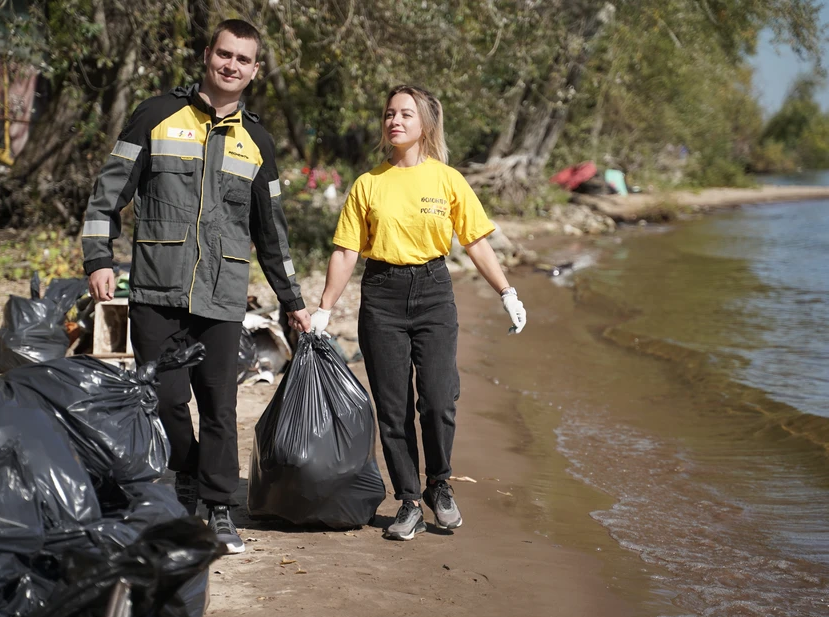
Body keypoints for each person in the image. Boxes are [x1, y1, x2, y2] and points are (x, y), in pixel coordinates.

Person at [81, 19, 311, 554]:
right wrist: (99, 257)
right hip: (157, 289)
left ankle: (218, 507)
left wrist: (292, 299)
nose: (231, 66)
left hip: (222, 293)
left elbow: (271, 231)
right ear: (208, 55)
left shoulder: (258, 143)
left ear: (254, 71)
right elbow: (108, 192)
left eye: (243, 60)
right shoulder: (156, 115)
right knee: (164, 398)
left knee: (219, 405)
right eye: (224, 54)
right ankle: (185, 477)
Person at [309, 85, 527, 541]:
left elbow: (476, 242)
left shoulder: (447, 180)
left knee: (439, 397)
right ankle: (408, 499)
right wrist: (325, 310)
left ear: (425, 124)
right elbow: (347, 250)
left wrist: (507, 292)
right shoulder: (368, 183)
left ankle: (439, 486)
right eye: (389, 114)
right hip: (382, 295)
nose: (395, 121)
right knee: (393, 407)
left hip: (432, 291)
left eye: (406, 114)